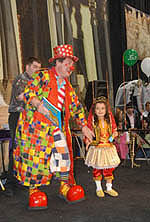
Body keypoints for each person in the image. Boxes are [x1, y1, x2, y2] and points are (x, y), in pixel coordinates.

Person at [13, 44, 94, 209]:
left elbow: (76, 106)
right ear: (57, 63)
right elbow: (28, 91)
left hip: (56, 127)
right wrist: (37, 103)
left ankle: (64, 187)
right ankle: (34, 191)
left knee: (63, 156)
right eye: (67, 64)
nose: (71, 68)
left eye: (72, 64)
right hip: (36, 128)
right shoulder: (42, 76)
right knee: (35, 160)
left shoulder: (67, 85)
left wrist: (84, 126)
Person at [5, 57, 42, 196]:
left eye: (39, 67)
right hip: (17, 116)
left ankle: (22, 181)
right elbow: (21, 96)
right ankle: (10, 184)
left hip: (29, 118)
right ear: (27, 67)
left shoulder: (35, 82)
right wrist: (37, 99)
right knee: (15, 148)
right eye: (34, 67)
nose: (37, 70)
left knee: (26, 150)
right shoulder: (21, 79)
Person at [85, 96, 120, 198]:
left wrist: (113, 135)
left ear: (106, 109)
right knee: (97, 169)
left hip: (108, 147)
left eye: (102, 108)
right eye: (97, 108)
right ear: (94, 110)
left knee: (109, 168)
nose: (100, 111)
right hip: (97, 148)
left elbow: (114, 131)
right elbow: (88, 134)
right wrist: (88, 141)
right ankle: (98, 188)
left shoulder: (109, 121)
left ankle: (109, 188)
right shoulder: (92, 122)